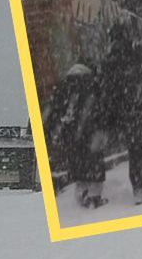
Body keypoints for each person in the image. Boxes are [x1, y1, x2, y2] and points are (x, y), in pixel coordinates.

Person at [99, 21, 142, 204]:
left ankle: (139, 191)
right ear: (125, 35)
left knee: (135, 153)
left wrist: (111, 119)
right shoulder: (135, 53)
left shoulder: (108, 62)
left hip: (126, 113)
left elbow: (108, 93)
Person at [47, 63, 110, 209]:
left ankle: (82, 194)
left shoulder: (65, 87)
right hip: (90, 132)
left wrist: (58, 131)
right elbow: (101, 109)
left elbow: (56, 110)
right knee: (94, 163)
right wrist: (102, 127)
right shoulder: (92, 86)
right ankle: (94, 197)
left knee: (78, 163)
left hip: (73, 135)